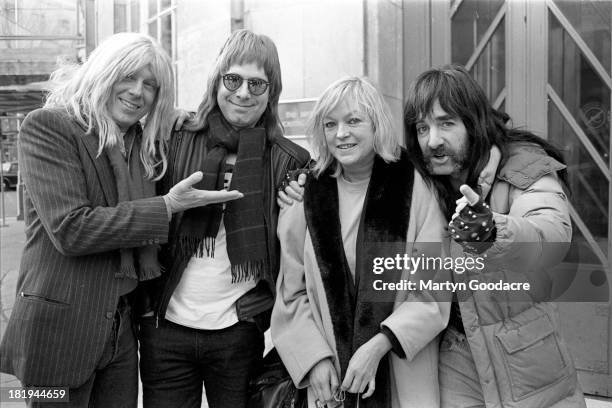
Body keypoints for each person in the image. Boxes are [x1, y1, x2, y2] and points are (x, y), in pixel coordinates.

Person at [0, 32, 242, 408]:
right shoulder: (49, 127)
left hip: (121, 329)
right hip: (61, 331)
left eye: (150, 85)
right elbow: (71, 229)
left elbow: (203, 134)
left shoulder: (141, 144)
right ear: (103, 73)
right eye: (127, 77)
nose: (137, 92)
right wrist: (164, 207)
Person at [138, 29, 310, 408]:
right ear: (217, 82)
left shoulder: (289, 161)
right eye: (233, 79)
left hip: (238, 330)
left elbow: (301, 245)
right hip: (165, 327)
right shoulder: (176, 137)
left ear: (272, 91)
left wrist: (299, 203)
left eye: (257, 83)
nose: (243, 92)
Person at [403, 64, 586, 408]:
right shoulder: (421, 183)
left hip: (529, 362)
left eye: (446, 123)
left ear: (473, 123)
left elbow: (551, 236)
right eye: (422, 127)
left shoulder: (523, 165)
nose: (433, 140)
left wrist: (491, 232)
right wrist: (304, 187)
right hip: (455, 360)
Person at [271, 77, 450, 408]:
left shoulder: (415, 189)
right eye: (330, 124)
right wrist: (315, 359)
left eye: (353, 120)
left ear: (376, 124)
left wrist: (379, 344)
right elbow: (290, 294)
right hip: (330, 380)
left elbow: (433, 290)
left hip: (400, 373)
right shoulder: (305, 196)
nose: (341, 133)